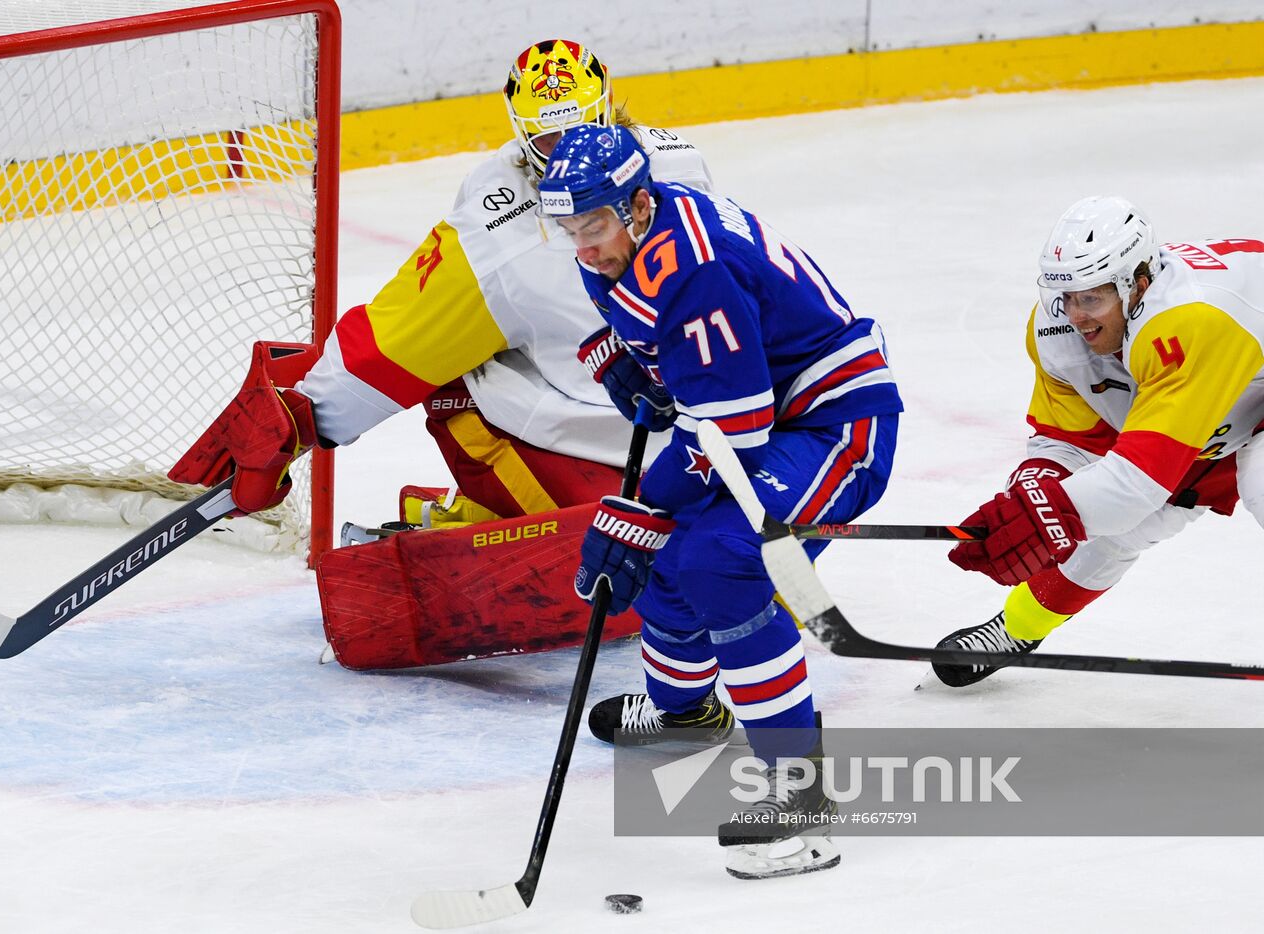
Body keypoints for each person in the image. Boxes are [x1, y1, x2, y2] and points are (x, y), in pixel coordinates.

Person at [538, 124, 902, 879]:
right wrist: (634, 365)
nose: (584, 246)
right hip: (772, 409)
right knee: (672, 551)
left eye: (594, 226)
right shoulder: (619, 239)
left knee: (721, 559)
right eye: (568, 230)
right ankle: (688, 714)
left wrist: (642, 504)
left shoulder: (693, 265)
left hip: (836, 424)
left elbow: (736, 425)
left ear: (637, 206)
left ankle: (801, 797)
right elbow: (677, 351)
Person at [168, 39, 714, 523]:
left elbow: (402, 339)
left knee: (454, 365)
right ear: (523, 136)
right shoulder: (508, 228)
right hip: (629, 427)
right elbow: (401, 335)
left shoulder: (667, 171)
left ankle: (490, 516)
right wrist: (300, 417)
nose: (568, 154)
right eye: (550, 141)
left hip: (642, 426)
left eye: (579, 131)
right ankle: (475, 516)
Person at [934, 195, 1264, 686]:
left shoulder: (1189, 319)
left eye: (1092, 298)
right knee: (1113, 533)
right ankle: (1015, 629)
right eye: (1066, 297)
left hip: (1237, 388)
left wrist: (1047, 515)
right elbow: (1066, 439)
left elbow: (1136, 486)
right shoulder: (1055, 327)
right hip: (1220, 402)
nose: (1077, 316)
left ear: (1139, 283)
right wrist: (1035, 491)